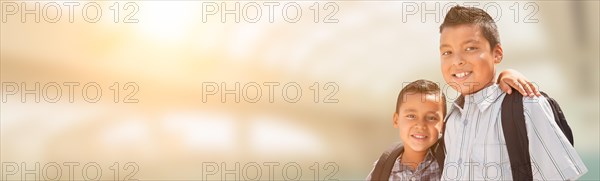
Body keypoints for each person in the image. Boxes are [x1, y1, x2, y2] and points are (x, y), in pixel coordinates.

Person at [438, 5, 587, 180]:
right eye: (447, 52)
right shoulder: (451, 120)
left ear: (497, 54)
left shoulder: (527, 106)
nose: (457, 61)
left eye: (470, 48)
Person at [366, 75, 537, 181]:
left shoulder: (452, 159)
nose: (420, 125)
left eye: (432, 118)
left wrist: (505, 76)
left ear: (443, 125)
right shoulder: (383, 167)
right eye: (411, 116)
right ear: (396, 120)